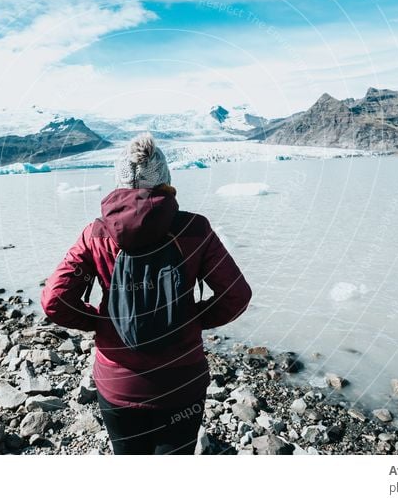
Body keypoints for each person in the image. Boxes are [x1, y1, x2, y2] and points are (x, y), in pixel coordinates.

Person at [40, 132, 252, 454]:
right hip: (181, 381)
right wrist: (190, 319)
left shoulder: (95, 234)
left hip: (117, 383)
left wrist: (103, 321)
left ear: (119, 182)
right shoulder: (195, 229)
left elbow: (55, 300)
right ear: (165, 178)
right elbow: (236, 295)